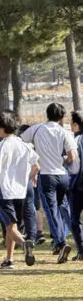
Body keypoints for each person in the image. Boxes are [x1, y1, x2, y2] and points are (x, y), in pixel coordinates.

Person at [20, 103, 78, 262]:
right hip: (62, 175)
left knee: (51, 211)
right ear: (62, 117)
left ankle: (61, 242)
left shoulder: (36, 129)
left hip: (46, 175)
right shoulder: (64, 132)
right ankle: (77, 238)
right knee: (63, 208)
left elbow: (21, 142)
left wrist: (33, 156)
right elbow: (72, 156)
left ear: (47, 114)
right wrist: (63, 161)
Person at [0, 111, 40, 269]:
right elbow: (36, 166)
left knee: (10, 226)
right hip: (21, 192)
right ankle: (9, 259)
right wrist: (26, 179)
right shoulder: (25, 145)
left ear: (2, 128)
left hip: (4, 191)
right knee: (12, 225)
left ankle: (25, 244)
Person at [68, 111, 83, 262]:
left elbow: (73, 165)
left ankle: (81, 250)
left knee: (75, 220)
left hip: (78, 185)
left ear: (76, 125)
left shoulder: (76, 141)